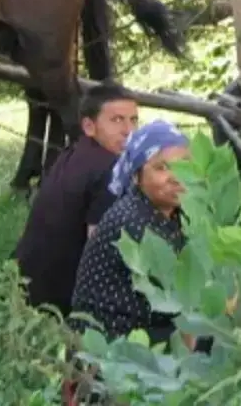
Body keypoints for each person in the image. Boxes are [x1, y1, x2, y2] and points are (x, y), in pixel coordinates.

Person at [13, 83, 139, 317]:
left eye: (133, 120)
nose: (128, 130)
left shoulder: (75, 152)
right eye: (117, 120)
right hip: (59, 299)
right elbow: (100, 246)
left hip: (24, 283)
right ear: (89, 127)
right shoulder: (111, 170)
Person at [68, 120, 195, 349]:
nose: (177, 177)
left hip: (147, 329)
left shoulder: (174, 213)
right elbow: (190, 296)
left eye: (184, 165)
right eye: (161, 168)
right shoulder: (134, 221)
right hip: (113, 349)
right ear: (136, 176)